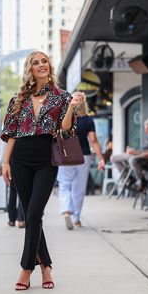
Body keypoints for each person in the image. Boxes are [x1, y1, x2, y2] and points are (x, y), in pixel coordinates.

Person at [1, 51, 85, 291]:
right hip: (20, 159)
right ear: (30, 69)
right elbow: (12, 135)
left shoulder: (62, 97)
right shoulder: (18, 99)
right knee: (31, 216)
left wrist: (71, 107)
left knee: (35, 212)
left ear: (50, 65)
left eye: (44, 61)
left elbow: (66, 129)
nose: (41, 65)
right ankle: (46, 266)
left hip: (46, 159)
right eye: (35, 63)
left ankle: (26, 268)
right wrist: (5, 163)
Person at [57, 96, 105, 230]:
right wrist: (101, 158)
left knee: (65, 184)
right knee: (79, 188)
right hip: (83, 156)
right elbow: (93, 140)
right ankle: (76, 218)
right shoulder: (88, 120)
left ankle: (66, 209)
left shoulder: (64, 118)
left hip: (66, 155)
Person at [111, 118, 148, 192]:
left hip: (147, 160)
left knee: (132, 160)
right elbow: (142, 150)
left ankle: (142, 181)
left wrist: (134, 152)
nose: (145, 130)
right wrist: (132, 151)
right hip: (138, 155)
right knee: (114, 158)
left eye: (147, 128)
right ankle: (129, 179)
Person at [0, 138, 25, 228]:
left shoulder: (8, 124)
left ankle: (11, 219)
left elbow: (3, 145)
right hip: (23, 159)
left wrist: (1, 164)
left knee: (12, 190)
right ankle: (21, 219)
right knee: (23, 189)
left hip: (11, 160)